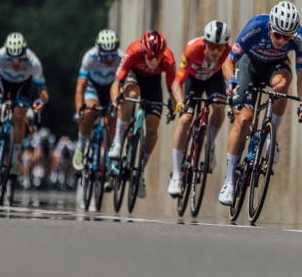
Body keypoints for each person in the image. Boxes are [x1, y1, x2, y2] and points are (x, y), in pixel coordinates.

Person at [217, 1, 302, 206]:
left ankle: (271, 136)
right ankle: (229, 181)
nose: (281, 41)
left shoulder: (300, 38)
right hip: (249, 64)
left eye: (286, 37)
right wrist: (231, 79)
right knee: (244, 120)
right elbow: (229, 60)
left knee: (283, 85)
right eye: (277, 35)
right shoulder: (256, 26)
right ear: (270, 27)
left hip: (276, 66)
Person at [167, 20, 232, 197]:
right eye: (212, 46)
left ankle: (209, 144)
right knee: (186, 119)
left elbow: (232, 79)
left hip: (213, 78)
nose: (216, 51)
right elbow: (176, 84)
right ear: (205, 43)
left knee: (219, 106)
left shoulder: (229, 52)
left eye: (220, 47)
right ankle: (176, 175)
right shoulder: (192, 50)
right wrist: (181, 103)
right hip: (192, 80)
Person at [108, 30, 176, 198]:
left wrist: (173, 108)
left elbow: (173, 89)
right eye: (149, 57)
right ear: (143, 51)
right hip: (134, 76)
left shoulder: (168, 59)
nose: (153, 61)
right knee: (131, 95)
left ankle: (139, 172)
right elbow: (116, 82)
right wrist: (116, 100)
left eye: (157, 57)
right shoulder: (133, 51)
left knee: (152, 129)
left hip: (153, 84)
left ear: (162, 54)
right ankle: (117, 141)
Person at [0, 33, 48, 175]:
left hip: (22, 86)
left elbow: (43, 91)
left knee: (20, 116)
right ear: (6, 55)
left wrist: (41, 101)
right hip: (1, 83)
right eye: (12, 60)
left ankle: (14, 160)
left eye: (19, 60)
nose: (15, 64)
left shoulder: (34, 62)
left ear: (25, 56)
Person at [73, 29, 121, 171]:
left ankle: (109, 158)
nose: (109, 59)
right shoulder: (90, 57)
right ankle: (80, 149)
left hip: (111, 89)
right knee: (88, 111)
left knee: (112, 120)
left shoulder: (122, 57)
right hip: (92, 88)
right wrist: (79, 112)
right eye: (105, 56)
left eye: (112, 55)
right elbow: (80, 87)